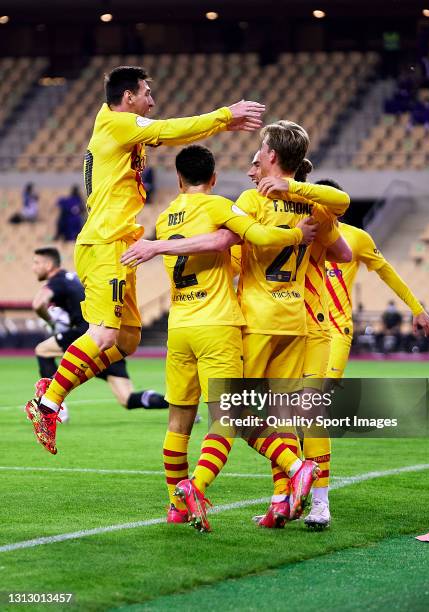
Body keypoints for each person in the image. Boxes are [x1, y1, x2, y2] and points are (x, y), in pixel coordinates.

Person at [24, 64, 265, 455]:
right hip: (106, 243)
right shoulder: (117, 124)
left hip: (120, 245)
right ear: (129, 97)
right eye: (147, 92)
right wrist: (224, 117)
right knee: (102, 334)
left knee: (127, 340)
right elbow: (168, 131)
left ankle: (50, 389)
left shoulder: (120, 130)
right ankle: (48, 404)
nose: (152, 100)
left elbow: (164, 133)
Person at [122, 144, 319, 532]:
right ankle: (297, 468)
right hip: (218, 326)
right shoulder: (218, 206)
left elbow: (214, 246)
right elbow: (257, 236)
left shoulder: (164, 217)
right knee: (228, 419)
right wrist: (296, 234)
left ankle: (176, 506)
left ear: (178, 178)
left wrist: (162, 245)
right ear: (212, 179)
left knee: (178, 422)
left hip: (179, 328)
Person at [244, 149, 351, 530]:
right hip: (300, 322)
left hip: (297, 323)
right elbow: (344, 253)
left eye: (256, 164)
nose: (251, 171)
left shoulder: (266, 206)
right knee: (286, 415)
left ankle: (315, 502)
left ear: (273, 164)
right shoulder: (310, 209)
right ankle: (290, 501)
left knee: (297, 414)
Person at [31, 247, 168, 416]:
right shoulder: (71, 278)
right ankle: (174, 405)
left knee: (42, 350)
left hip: (90, 333)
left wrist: (51, 323)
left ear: (49, 264)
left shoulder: (57, 280)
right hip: (111, 338)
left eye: (36, 263)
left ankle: (55, 407)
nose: (33, 267)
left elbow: (38, 304)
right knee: (127, 399)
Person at [323, 179, 429, 379]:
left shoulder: (357, 238)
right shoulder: (302, 235)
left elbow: (386, 272)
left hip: (337, 329)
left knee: (320, 393)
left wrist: (417, 309)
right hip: (304, 329)